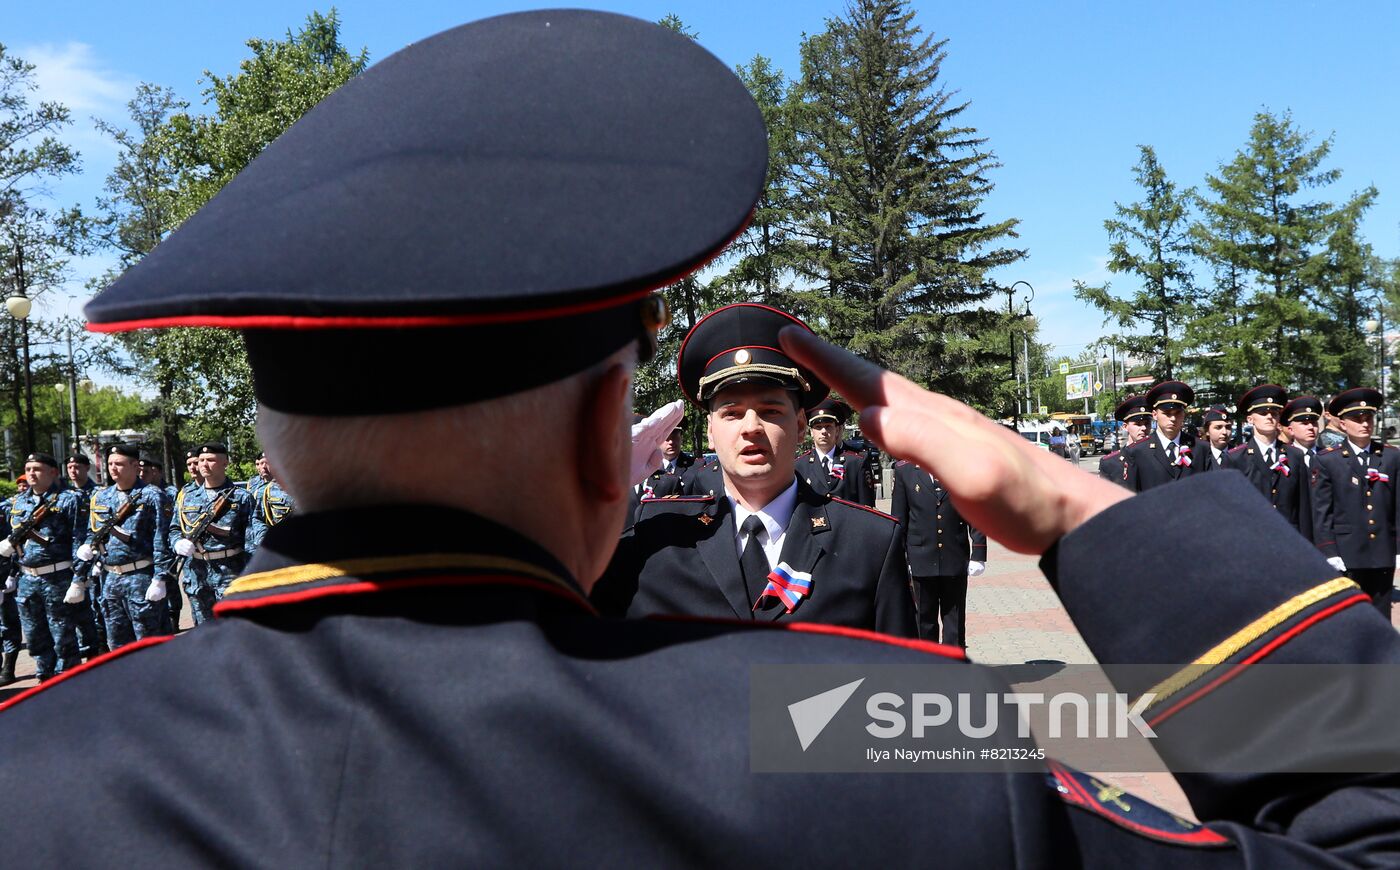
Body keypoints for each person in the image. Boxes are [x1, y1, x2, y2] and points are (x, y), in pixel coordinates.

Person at [6, 12, 1400, 866]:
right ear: (616, 441)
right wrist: (1066, 505)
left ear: (270, 443)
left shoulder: (40, 760)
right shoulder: (849, 733)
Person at [594, 303, 916, 637]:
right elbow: (556, 620)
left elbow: (901, 681)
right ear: (710, 432)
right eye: (731, 413)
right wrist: (591, 488)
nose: (751, 427)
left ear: (801, 425)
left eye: (771, 410)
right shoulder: (658, 537)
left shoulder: (868, 544)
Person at [1311, 387, 1400, 618]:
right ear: (1342, 424)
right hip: (1347, 552)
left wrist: (1399, 548)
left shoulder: (1390, 456)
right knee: (1351, 617)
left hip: (1383, 550)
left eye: (1368, 418)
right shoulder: (1328, 460)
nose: (1364, 424)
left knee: (1381, 615)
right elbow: (1323, 511)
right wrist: (1329, 550)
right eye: (1357, 419)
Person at [76, 444, 172, 648]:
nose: (113, 468)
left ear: (135, 465)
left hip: (141, 576)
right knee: (117, 643)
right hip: (110, 578)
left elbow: (162, 538)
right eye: (110, 464)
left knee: (148, 641)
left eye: (118, 464)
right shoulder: (101, 497)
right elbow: (92, 532)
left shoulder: (152, 495)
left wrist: (160, 577)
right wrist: (86, 547)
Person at [1, 453, 85, 681]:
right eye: (28, 469)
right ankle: (44, 676)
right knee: (35, 635)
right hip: (27, 580)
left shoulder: (69, 500)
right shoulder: (17, 503)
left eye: (37, 469)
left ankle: (67, 681)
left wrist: (79, 579)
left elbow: (80, 540)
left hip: (57, 576)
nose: (31, 473)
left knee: (63, 636)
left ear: (53, 472)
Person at [891, 458, 986, 646]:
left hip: (954, 555)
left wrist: (978, 553)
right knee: (924, 620)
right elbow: (899, 519)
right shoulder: (905, 471)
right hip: (920, 557)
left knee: (955, 620)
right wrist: (899, 558)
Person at [170, 442, 254, 624]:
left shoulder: (241, 497)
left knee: (233, 631)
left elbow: (251, 541)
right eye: (201, 460)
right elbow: (174, 528)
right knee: (203, 633)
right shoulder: (187, 496)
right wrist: (177, 542)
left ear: (225, 463)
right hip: (197, 574)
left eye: (211, 460)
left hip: (230, 571)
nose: (204, 465)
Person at [1224, 385, 1306, 533]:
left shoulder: (1295, 455)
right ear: (1250, 419)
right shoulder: (1236, 458)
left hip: (1290, 537)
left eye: (1274, 413)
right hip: (1253, 538)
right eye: (1262, 413)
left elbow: (1303, 506)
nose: (1269, 417)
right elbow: (1230, 507)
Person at [795, 397, 876, 506]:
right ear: (811, 432)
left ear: (837, 430)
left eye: (828, 427)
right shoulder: (799, 466)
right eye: (818, 427)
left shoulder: (855, 463)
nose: (823, 432)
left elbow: (867, 507)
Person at [1123, 380, 1196, 491]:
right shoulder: (1137, 452)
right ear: (1155, 415)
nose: (1173, 419)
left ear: (1184, 414)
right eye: (1167, 413)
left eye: (1177, 413)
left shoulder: (1200, 449)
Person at [140, 455, 183, 632]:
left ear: (155, 472)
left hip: (166, 547)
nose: (142, 474)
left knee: (170, 584)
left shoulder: (169, 492)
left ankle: (174, 616)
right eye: (140, 471)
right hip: (146, 551)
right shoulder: (139, 494)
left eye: (146, 471)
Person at [1097, 395, 1150, 486]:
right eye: (1138, 424)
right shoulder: (1110, 463)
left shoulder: (1160, 456)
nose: (1144, 428)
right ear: (1125, 427)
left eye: (1147, 423)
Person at [1283, 396, 1323, 469]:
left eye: (1314, 423)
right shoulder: (1284, 456)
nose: (1311, 427)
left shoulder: (1327, 455)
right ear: (1291, 430)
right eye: (1305, 423)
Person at [1193, 405, 1232, 472]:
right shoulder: (1199, 457)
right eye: (1218, 427)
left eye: (1228, 427)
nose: (1224, 432)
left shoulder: (1238, 455)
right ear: (1207, 431)